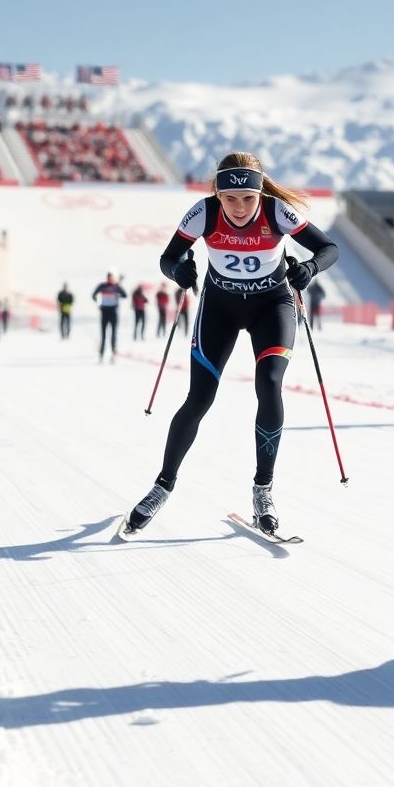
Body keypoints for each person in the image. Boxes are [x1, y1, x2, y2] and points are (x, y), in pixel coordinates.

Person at [123, 152, 339, 536]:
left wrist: (309, 268)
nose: (239, 207)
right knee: (199, 398)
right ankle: (162, 486)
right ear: (218, 195)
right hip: (219, 309)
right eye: (230, 198)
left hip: (272, 307)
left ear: (260, 194)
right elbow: (168, 257)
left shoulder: (276, 211)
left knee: (269, 384)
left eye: (248, 198)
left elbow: (328, 249)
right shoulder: (204, 212)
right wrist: (178, 270)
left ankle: (263, 491)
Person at [92, 271, 127, 362]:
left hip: (113, 311)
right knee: (103, 335)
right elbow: (93, 295)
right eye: (108, 277)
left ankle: (113, 353)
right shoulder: (103, 286)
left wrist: (118, 290)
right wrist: (98, 303)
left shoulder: (116, 286)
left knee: (113, 334)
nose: (109, 279)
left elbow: (125, 295)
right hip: (104, 311)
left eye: (111, 277)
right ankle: (101, 354)